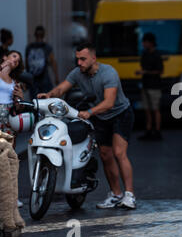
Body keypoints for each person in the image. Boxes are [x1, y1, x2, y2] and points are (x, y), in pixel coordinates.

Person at [38, 42, 137, 210]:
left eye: (83, 59)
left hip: (120, 114)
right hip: (101, 117)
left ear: (93, 58)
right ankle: (116, 194)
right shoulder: (78, 73)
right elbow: (62, 87)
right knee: (105, 155)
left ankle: (129, 195)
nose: (79, 63)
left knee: (119, 153)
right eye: (77, 59)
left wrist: (89, 112)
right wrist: (49, 95)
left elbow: (109, 103)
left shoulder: (108, 73)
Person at [0, 51, 26, 208]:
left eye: (19, 59)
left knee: (10, 159)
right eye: (14, 56)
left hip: (9, 119)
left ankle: (12, 197)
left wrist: (21, 96)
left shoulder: (15, 82)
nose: (16, 60)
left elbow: (19, 107)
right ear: (5, 57)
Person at [136, 33, 163, 141]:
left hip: (154, 86)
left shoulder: (157, 55)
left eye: (145, 42)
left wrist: (145, 72)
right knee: (147, 109)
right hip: (146, 85)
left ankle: (157, 130)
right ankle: (148, 129)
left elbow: (160, 71)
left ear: (150, 43)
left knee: (155, 109)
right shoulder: (145, 54)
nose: (143, 44)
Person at [25, 26, 60, 99]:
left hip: (32, 78)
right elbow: (53, 61)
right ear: (44, 35)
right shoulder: (47, 47)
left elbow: (26, 63)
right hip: (44, 78)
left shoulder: (29, 47)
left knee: (34, 100)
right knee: (46, 98)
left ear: (35, 34)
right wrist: (56, 76)